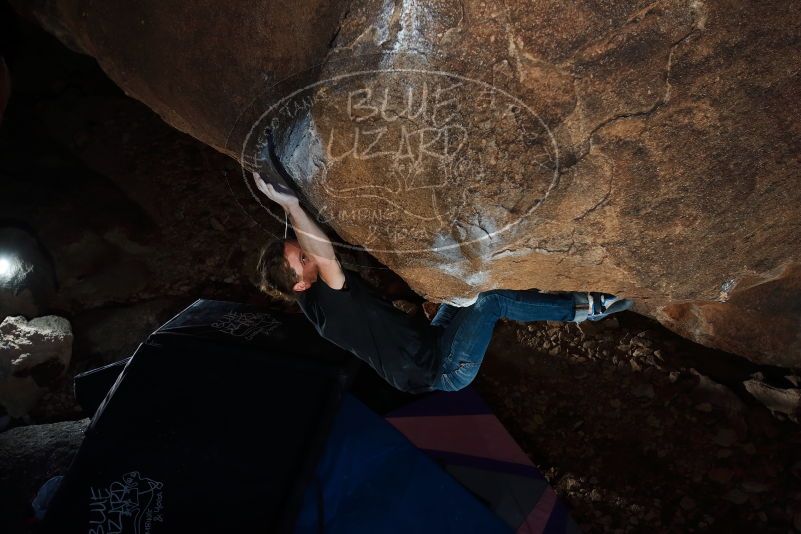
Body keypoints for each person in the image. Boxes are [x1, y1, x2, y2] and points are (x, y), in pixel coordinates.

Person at [253, 171, 632, 393]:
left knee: (460, 291)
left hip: (430, 340)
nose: (307, 250)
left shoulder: (298, 288)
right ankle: (585, 309)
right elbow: (326, 257)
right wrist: (292, 205)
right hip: (444, 369)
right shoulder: (330, 307)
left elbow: (304, 247)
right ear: (301, 285)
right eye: (302, 257)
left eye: (299, 249)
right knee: (488, 301)